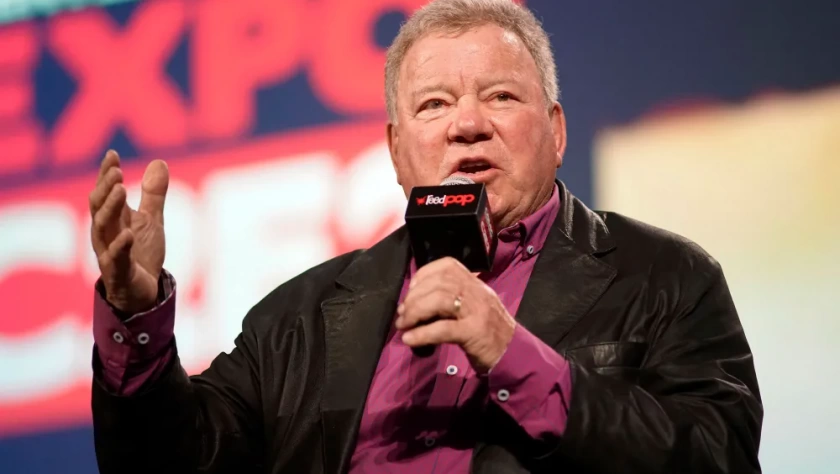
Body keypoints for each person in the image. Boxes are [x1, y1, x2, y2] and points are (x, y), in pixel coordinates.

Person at [87, 0, 763, 472]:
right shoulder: (299, 321)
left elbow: (717, 457)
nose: (466, 125)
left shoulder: (665, 278)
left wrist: (514, 356)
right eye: (434, 104)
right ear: (395, 150)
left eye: (500, 96)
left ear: (556, 132)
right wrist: (136, 316)